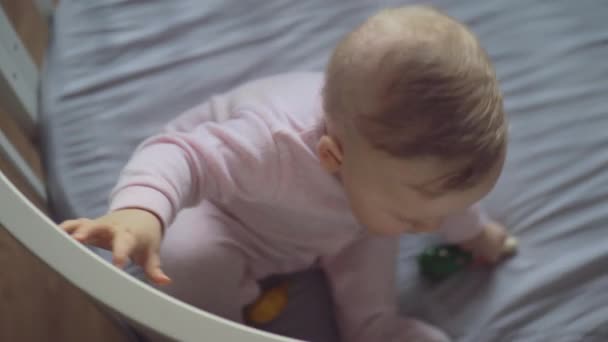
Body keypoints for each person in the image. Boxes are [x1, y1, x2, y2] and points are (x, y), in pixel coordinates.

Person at [61, 6, 515, 341]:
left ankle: (377, 328)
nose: (427, 230)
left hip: (344, 226)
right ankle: (220, 330)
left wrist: (474, 232)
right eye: (415, 219)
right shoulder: (272, 146)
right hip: (230, 212)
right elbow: (181, 155)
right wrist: (140, 209)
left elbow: (440, 200)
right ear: (332, 155)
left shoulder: (391, 176)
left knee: (379, 235)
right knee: (190, 257)